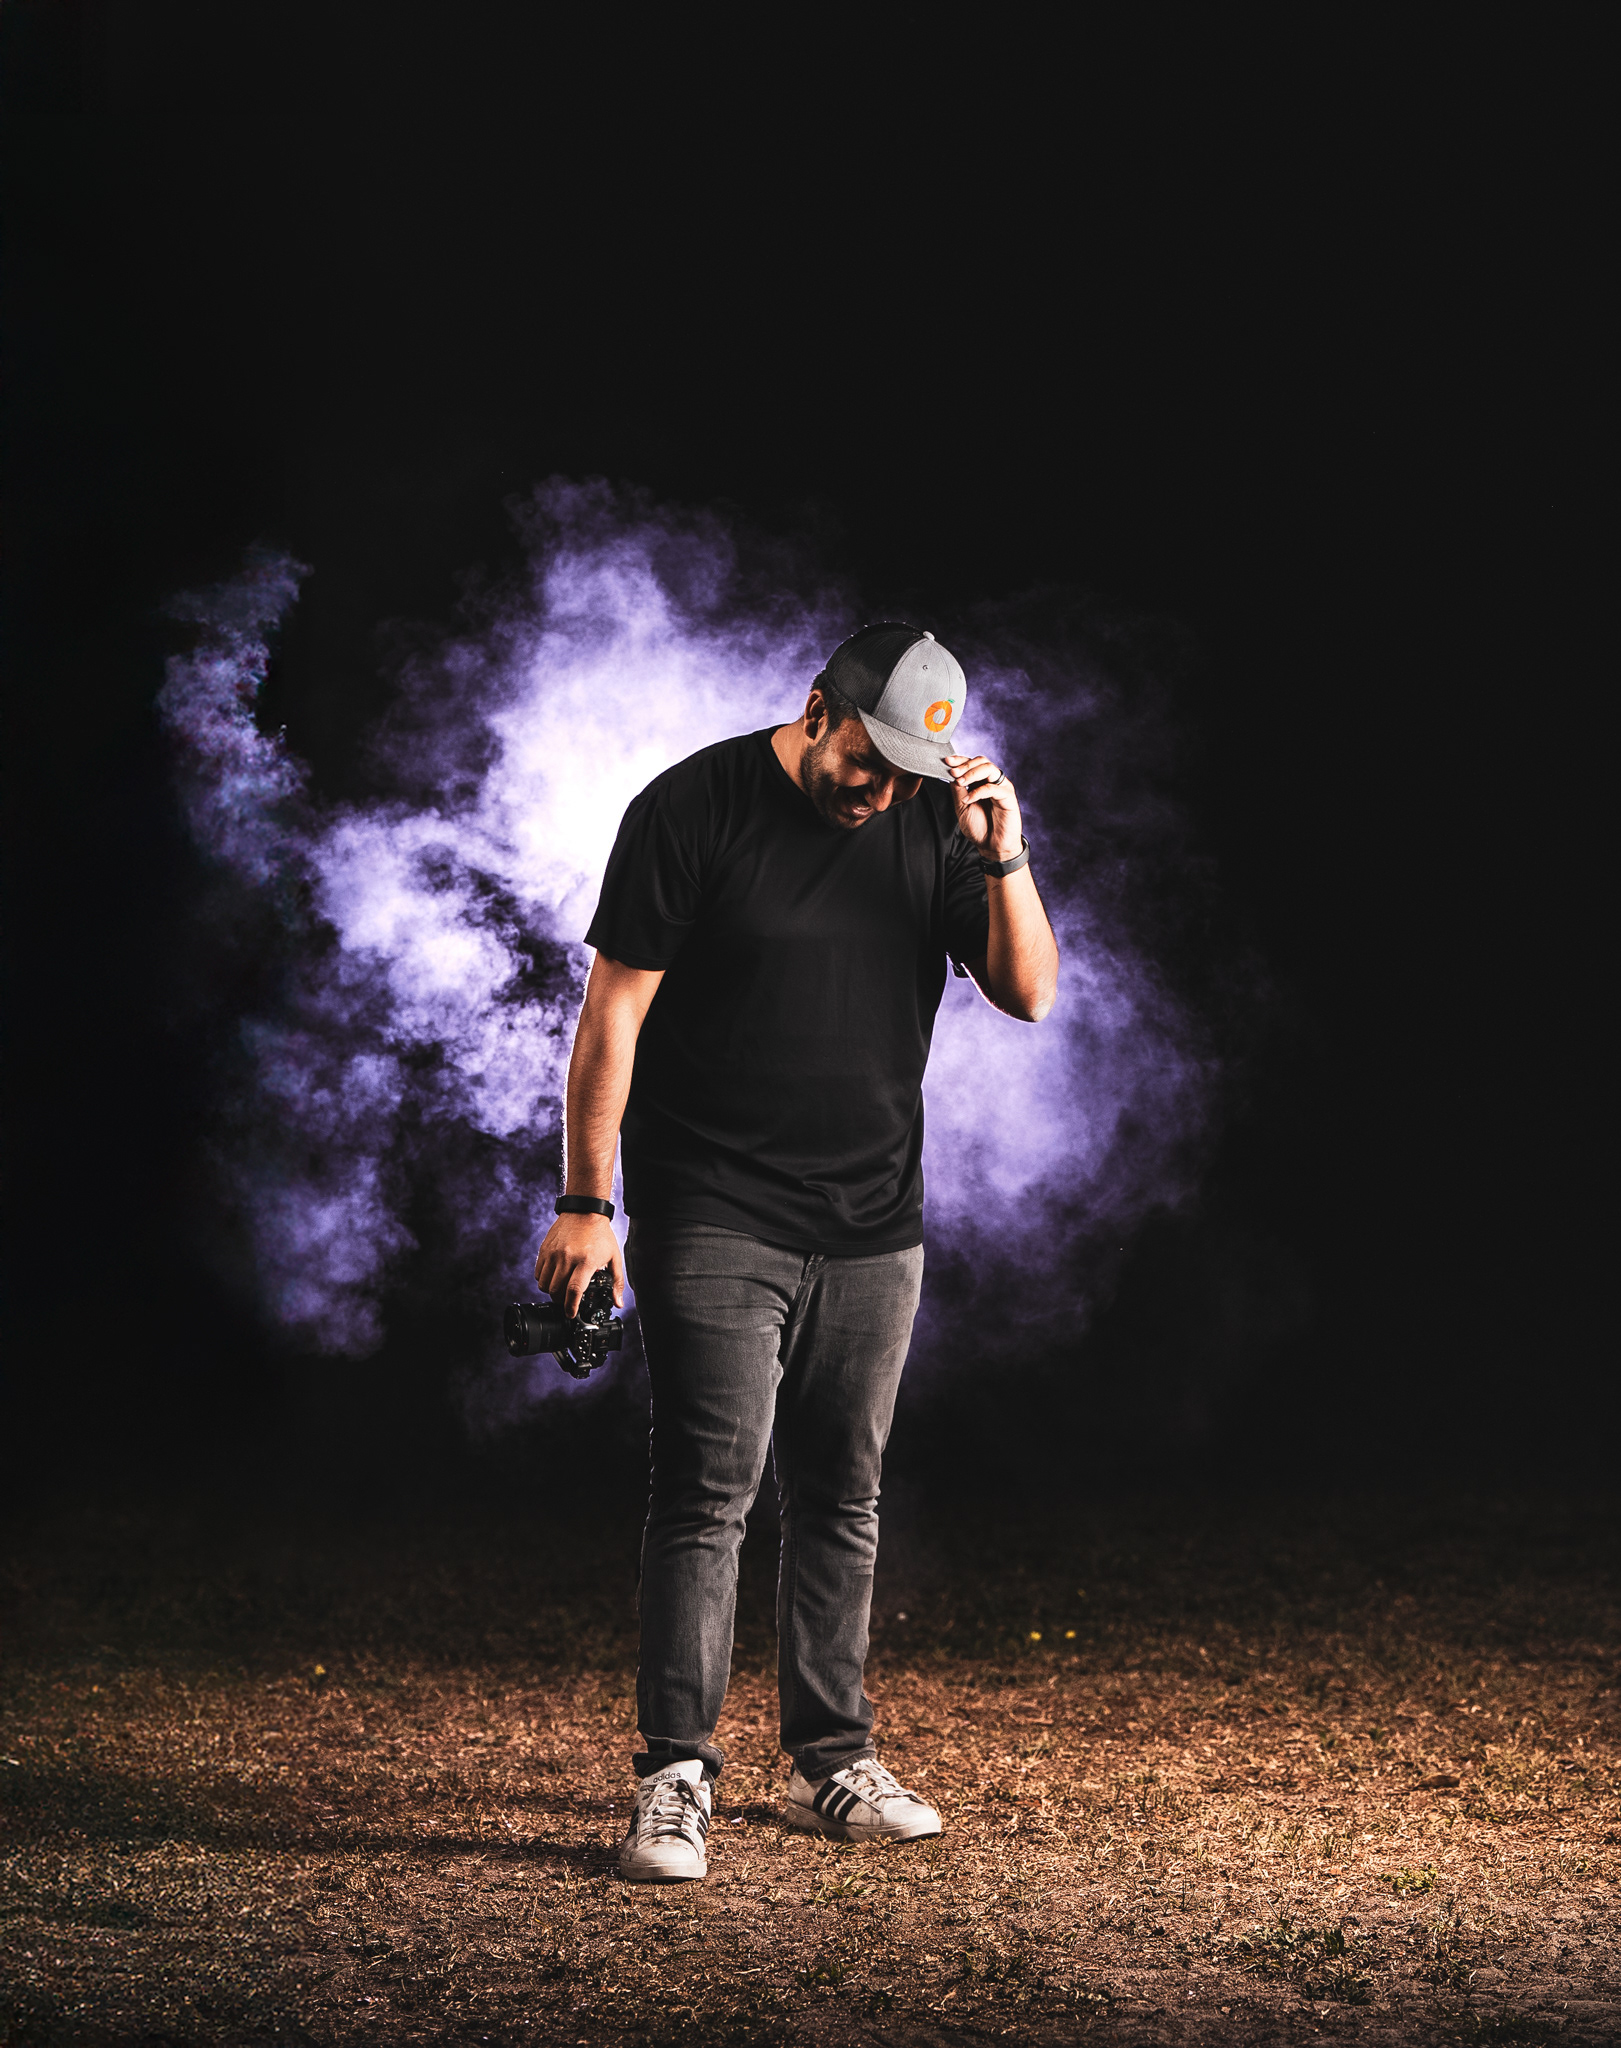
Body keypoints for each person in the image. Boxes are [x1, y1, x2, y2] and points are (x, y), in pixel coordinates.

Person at [532, 622, 1059, 1881]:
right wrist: (585, 1203)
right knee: (710, 1486)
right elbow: (612, 1012)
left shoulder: (939, 823)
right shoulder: (692, 806)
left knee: (843, 1491)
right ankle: (674, 1775)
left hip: (877, 1220)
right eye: (862, 757)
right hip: (714, 1204)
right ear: (816, 706)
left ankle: (832, 1756)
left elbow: (1029, 990)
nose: (876, 787)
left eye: (902, 773)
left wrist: (1006, 858)